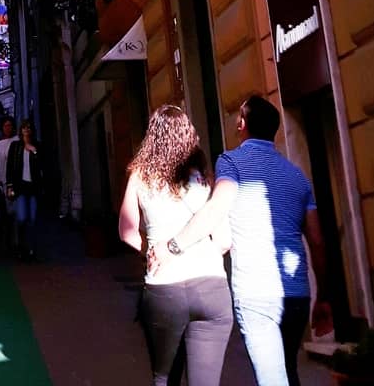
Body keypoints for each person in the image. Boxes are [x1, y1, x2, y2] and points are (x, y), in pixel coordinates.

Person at [161, 94, 331, 386]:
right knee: (287, 371)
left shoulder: (231, 162)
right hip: (297, 294)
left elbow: (216, 207)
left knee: (273, 379)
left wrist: (174, 246)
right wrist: (324, 296)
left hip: (256, 293)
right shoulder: (298, 176)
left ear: (242, 124)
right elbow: (316, 241)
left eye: (239, 117)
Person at [118, 104, 232, 386]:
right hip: (211, 285)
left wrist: (152, 253)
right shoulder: (204, 178)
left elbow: (126, 231)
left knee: (164, 378)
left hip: (163, 288)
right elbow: (224, 241)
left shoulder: (140, 176)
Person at [5, 118, 42, 260]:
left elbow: (42, 164)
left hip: (33, 187)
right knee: (21, 217)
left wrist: (34, 151)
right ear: (21, 131)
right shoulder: (15, 146)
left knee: (32, 218)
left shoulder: (36, 146)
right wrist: (9, 186)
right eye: (24, 128)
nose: (27, 130)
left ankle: (31, 248)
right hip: (20, 187)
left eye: (29, 127)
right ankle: (21, 247)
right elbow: (9, 167)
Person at [0, 116, 17, 253]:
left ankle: (15, 243)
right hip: (2, 184)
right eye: (5, 125)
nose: (8, 128)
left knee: (14, 214)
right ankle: (4, 245)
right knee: (3, 216)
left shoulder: (17, 141)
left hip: (15, 184)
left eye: (10, 125)